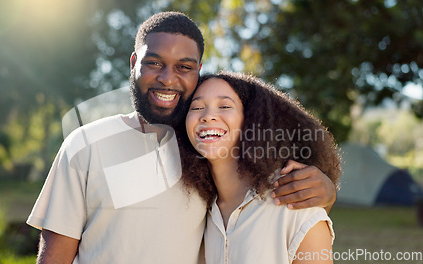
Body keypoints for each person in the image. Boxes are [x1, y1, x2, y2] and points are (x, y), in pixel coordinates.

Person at [27, 12, 337, 264]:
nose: (166, 78)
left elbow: (259, 192)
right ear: (134, 63)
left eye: (183, 67)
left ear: (197, 71)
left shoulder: (205, 151)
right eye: (154, 63)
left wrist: (326, 191)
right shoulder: (86, 144)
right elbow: (55, 255)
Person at [181, 71, 341, 263]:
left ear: (252, 120)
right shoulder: (200, 212)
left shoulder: (294, 202)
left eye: (224, 106)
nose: (208, 116)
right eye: (196, 107)